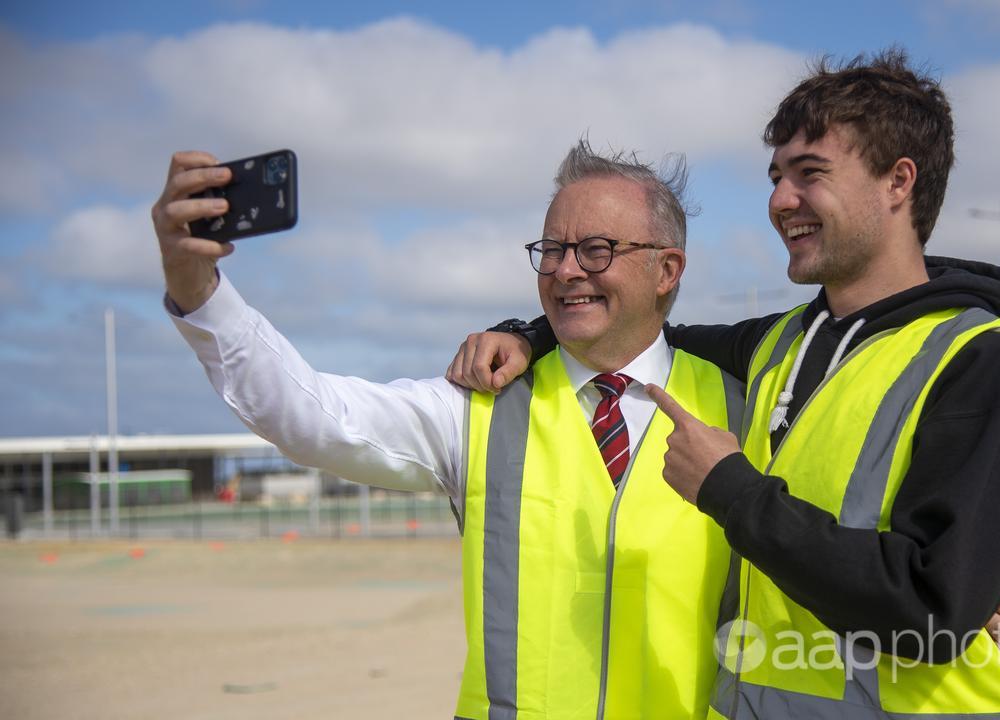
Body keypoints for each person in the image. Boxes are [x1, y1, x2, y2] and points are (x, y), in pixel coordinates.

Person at [450, 48, 1000, 719]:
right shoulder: (782, 345)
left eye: (810, 174)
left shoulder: (984, 365)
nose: (779, 201)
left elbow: (934, 612)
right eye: (776, 176)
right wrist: (528, 333)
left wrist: (732, 492)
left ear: (898, 181)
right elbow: (631, 328)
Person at [152, 141, 749, 718]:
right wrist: (199, 292)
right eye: (552, 248)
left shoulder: (747, 408)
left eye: (595, 249)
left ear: (666, 269)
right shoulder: (480, 406)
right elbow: (312, 417)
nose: (566, 270)